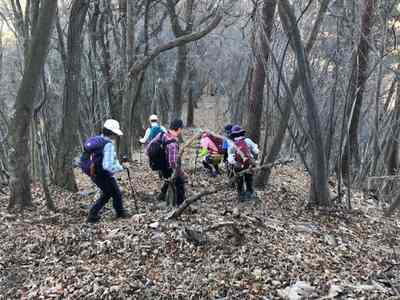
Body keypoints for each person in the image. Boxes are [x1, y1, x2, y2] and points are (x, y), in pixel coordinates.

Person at [85, 119, 130, 223]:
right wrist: (121, 167)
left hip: (95, 173)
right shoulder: (108, 145)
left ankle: (94, 215)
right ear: (112, 132)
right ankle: (119, 213)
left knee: (109, 193)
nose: (115, 135)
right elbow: (108, 166)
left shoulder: (98, 140)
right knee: (115, 193)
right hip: (103, 174)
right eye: (115, 133)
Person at [147, 119, 185, 206]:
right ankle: (181, 204)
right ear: (178, 129)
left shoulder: (162, 134)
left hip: (159, 164)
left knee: (168, 179)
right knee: (179, 182)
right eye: (181, 129)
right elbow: (173, 162)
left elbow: (148, 148)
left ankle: (162, 195)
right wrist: (180, 172)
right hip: (166, 166)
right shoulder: (172, 142)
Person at [227, 125, 259, 201]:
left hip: (238, 166)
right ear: (242, 133)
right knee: (249, 180)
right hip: (249, 165)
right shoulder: (248, 140)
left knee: (240, 181)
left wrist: (234, 163)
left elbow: (230, 158)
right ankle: (250, 193)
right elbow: (256, 151)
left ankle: (241, 196)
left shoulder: (232, 144)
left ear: (233, 135)